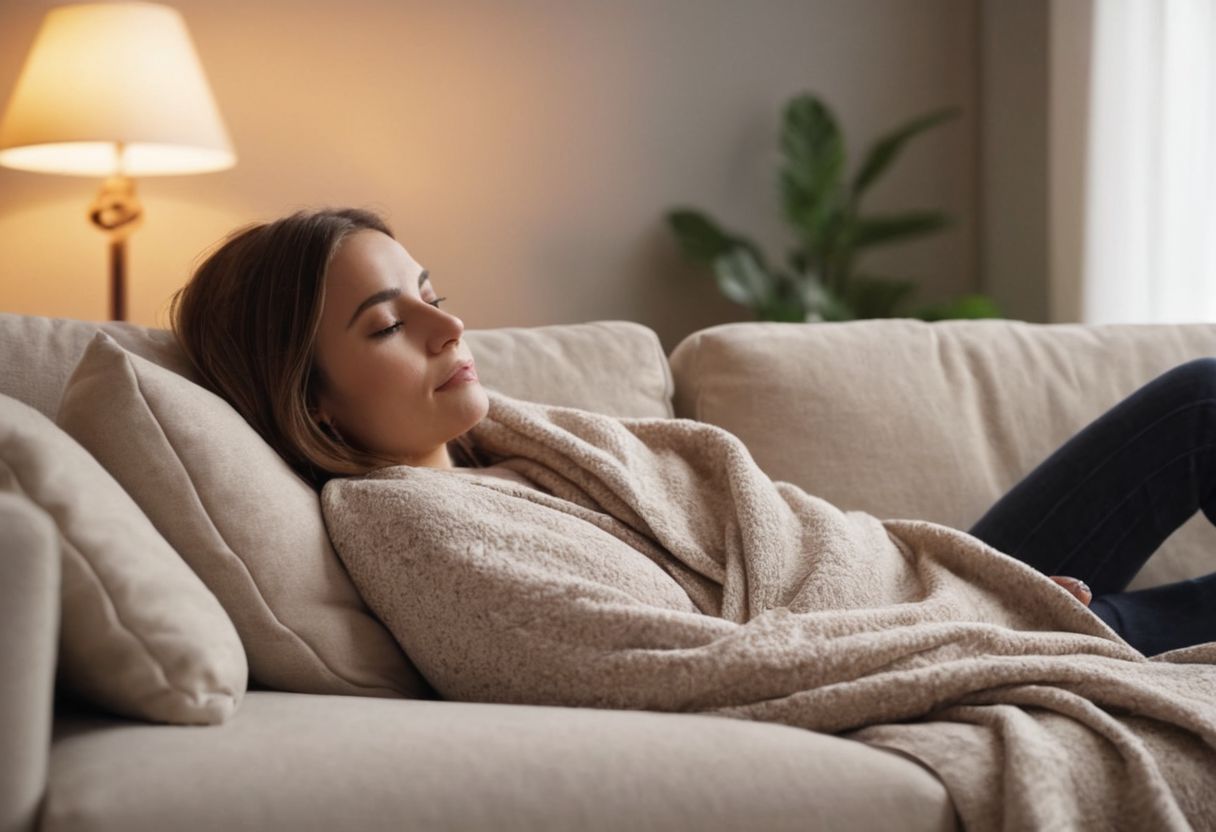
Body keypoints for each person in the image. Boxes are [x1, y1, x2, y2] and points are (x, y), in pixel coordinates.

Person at [170, 206, 1216, 659]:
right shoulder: (414, 528)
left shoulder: (512, 452)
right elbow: (676, 661)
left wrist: (957, 583)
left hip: (922, 584)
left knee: (1197, 399)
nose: (451, 326)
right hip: (932, 632)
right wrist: (990, 627)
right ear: (313, 404)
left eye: (432, 291)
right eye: (391, 325)